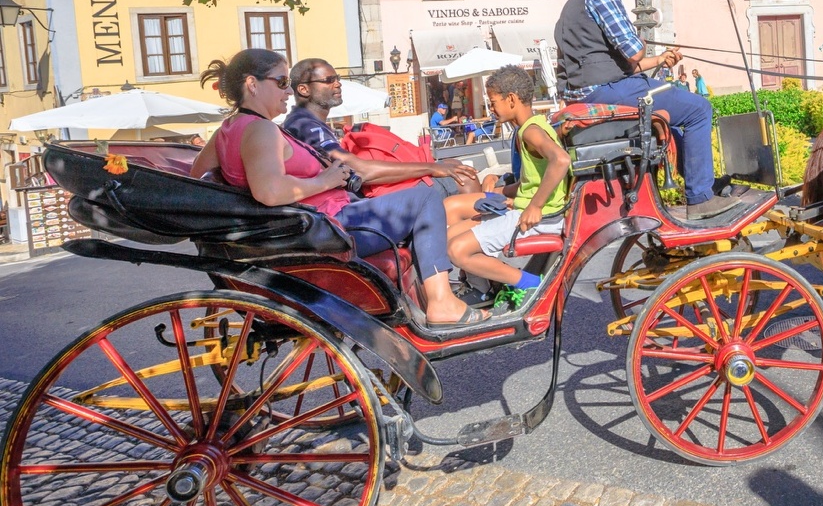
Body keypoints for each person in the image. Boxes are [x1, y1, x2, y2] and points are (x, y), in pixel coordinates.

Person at [192, 49, 485, 326]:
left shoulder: (227, 130)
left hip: (309, 228)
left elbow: (197, 176)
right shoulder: (261, 129)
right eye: (281, 82)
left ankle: (429, 294)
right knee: (424, 199)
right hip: (327, 229)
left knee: (415, 201)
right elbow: (269, 191)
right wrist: (325, 180)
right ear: (252, 84)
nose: (288, 91)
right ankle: (442, 301)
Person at [555, 0, 734, 220]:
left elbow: (621, 64)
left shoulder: (573, 4)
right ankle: (700, 198)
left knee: (672, 120)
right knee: (699, 109)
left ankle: (702, 184)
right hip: (607, 91)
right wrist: (640, 40)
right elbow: (634, 51)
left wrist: (661, 59)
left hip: (593, 90)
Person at [447, 65, 571, 312]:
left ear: (511, 99)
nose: (491, 109)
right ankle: (482, 287)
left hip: (541, 216)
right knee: (449, 235)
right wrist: (499, 192)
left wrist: (535, 206)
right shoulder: (529, 128)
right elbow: (530, 182)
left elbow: (561, 160)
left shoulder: (531, 132)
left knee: (456, 249)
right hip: (526, 208)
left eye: (493, 102)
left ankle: (528, 284)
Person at [283, 57, 479, 197]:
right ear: (303, 89)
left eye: (338, 78)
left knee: (453, 164)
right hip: (351, 204)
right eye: (328, 80)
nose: (338, 84)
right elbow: (360, 171)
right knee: (465, 179)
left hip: (350, 195)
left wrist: (434, 166)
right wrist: (431, 167)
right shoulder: (305, 126)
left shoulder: (305, 122)